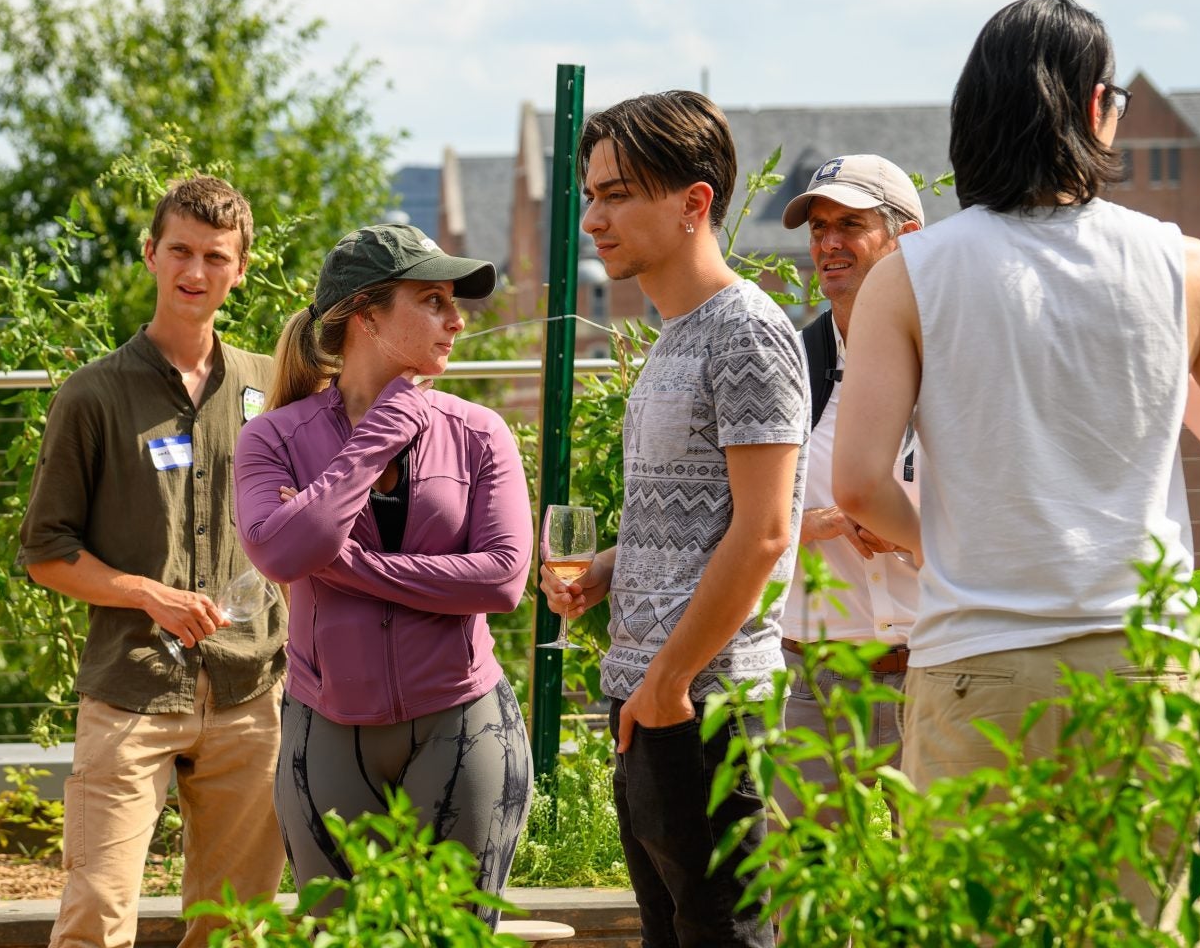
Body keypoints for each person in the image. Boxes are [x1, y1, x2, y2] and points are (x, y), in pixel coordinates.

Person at [829, 0, 1200, 919]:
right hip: (1142, 666)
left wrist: (943, 546)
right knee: (1137, 930)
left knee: (975, 929)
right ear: (1092, 108)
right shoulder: (1184, 264)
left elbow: (857, 484)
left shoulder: (911, 274)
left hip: (978, 664)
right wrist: (1165, 367)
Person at [540, 90, 805, 947]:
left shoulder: (747, 334)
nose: (592, 218)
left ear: (695, 202)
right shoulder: (675, 334)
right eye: (590, 193)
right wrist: (614, 565)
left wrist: (668, 683)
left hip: (706, 703)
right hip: (652, 695)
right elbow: (705, 519)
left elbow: (765, 533)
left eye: (617, 193)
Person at [234, 223, 531, 923]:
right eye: (432, 300)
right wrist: (377, 434)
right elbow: (279, 555)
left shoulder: (481, 432)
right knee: (345, 936)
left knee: (455, 937)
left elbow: (502, 579)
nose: (457, 320)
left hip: (465, 721)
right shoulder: (273, 438)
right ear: (365, 315)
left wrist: (342, 562)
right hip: (327, 730)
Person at [17, 176, 285, 948]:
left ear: (239, 268)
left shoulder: (275, 385)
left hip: (252, 690)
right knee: (97, 913)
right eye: (180, 252)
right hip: (132, 687)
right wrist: (149, 594)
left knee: (236, 927)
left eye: (215, 256)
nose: (194, 272)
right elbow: (47, 551)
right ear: (150, 254)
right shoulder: (92, 395)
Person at [769, 154, 925, 820]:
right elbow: (730, 518)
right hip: (816, 689)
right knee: (812, 913)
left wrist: (916, 537)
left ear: (907, 237)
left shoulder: (957, 363)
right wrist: (808, 525)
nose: (828, 243)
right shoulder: (788, 367)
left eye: (850, 224)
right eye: (819, 228)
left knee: (934, 912)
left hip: (935, 674)